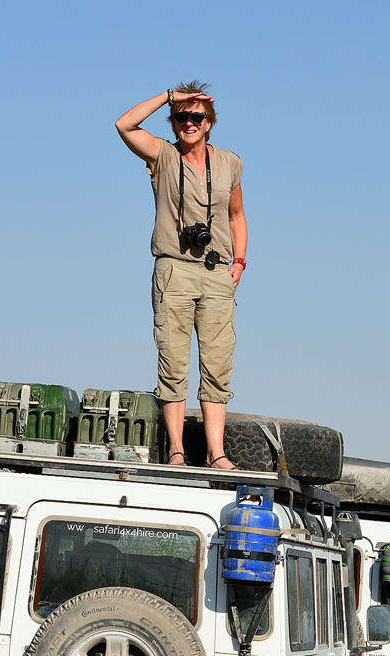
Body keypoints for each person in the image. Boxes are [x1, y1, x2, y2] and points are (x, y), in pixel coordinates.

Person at [115, 81, 247, 470]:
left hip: (216, 272)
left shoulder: (229, 163)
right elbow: (124, 124)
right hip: (173, 268)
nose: (189, 123)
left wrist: (239, 261)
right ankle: (176, 449)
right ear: (173, 122)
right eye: (182, 117)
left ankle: (215, 453)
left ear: (209, 123)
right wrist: (168, 97)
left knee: (218, 363)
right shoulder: (163, 156)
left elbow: (236, 215)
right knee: (173, 361)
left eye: (197, 117)